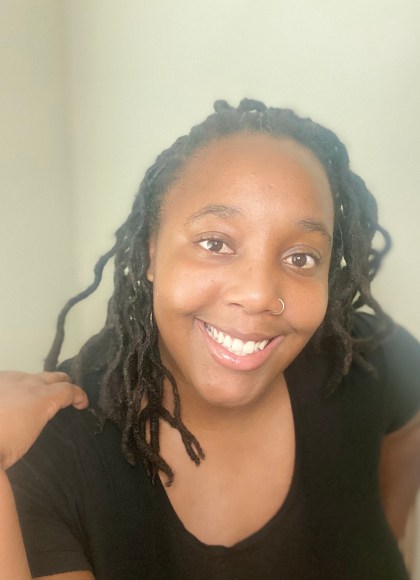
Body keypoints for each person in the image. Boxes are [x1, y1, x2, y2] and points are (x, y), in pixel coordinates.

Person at [2, 99, 420, 579]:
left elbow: (409, 430)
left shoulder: (368, 359)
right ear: (151, 253)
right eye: (215, 243)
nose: (259, 295)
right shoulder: (54, 453)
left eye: (301, 258)